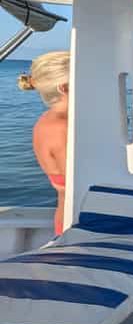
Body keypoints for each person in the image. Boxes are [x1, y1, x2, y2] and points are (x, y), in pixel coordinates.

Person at [23, 51, 70, 235]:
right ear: (64, 88)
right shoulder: (62, 126)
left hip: (66, 221)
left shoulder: (47, 120)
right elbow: (80, 183)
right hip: (76, 226)